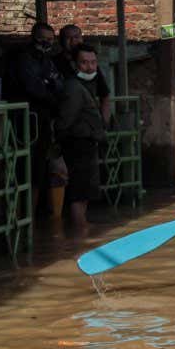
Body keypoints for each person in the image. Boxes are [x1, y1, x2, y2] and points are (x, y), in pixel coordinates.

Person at [4, 22, 65, 215]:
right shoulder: (24, 59)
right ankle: (23, 216)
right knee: (26, 170)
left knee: (40, 170)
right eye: (42, 38)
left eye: (50, 40)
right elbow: (33, 87)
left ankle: (35, 215)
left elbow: (59, 85)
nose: (46, 43)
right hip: (24, 123)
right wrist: (48, 87)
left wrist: (49, 85)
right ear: (33, 37)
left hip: (43, 123)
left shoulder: (46, 61)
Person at [55, 43, 106, 228]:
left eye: (93, 62)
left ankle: (81, 230)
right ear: (75, 64)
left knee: (85, 192)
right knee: (79, 192)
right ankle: (79, 234)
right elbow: (65, 120)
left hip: (87, 143)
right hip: (77, 144)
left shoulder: (85, 86)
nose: (90, 67)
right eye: (84, 63)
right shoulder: (74, 88)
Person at [56, 24, 110, 123]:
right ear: (61, 41)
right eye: (68, 38)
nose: (73, 41)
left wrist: (104, 123)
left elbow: (104, 94)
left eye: (76, 37)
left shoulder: (91, 65)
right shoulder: (54, 63)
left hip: (89, 120)